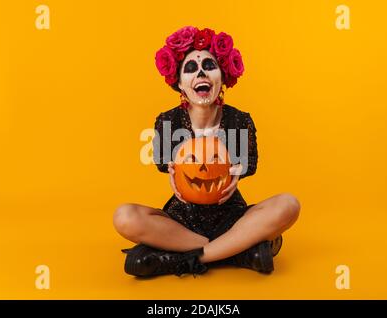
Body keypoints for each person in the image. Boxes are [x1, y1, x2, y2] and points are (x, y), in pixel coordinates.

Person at [113, 26, 300, 277]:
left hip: (233, 219)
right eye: (191, 68)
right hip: (181, 223)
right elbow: (164, 164)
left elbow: (248, 164)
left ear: (222, 77)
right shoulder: (168, 122)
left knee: (288, 204)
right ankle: (239, 251)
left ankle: (190, 258)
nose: (201, 71)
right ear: (180, 83)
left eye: (208, 66)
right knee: (124, 216)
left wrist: (237, 169)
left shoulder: (239, 120)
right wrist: (172, 167)